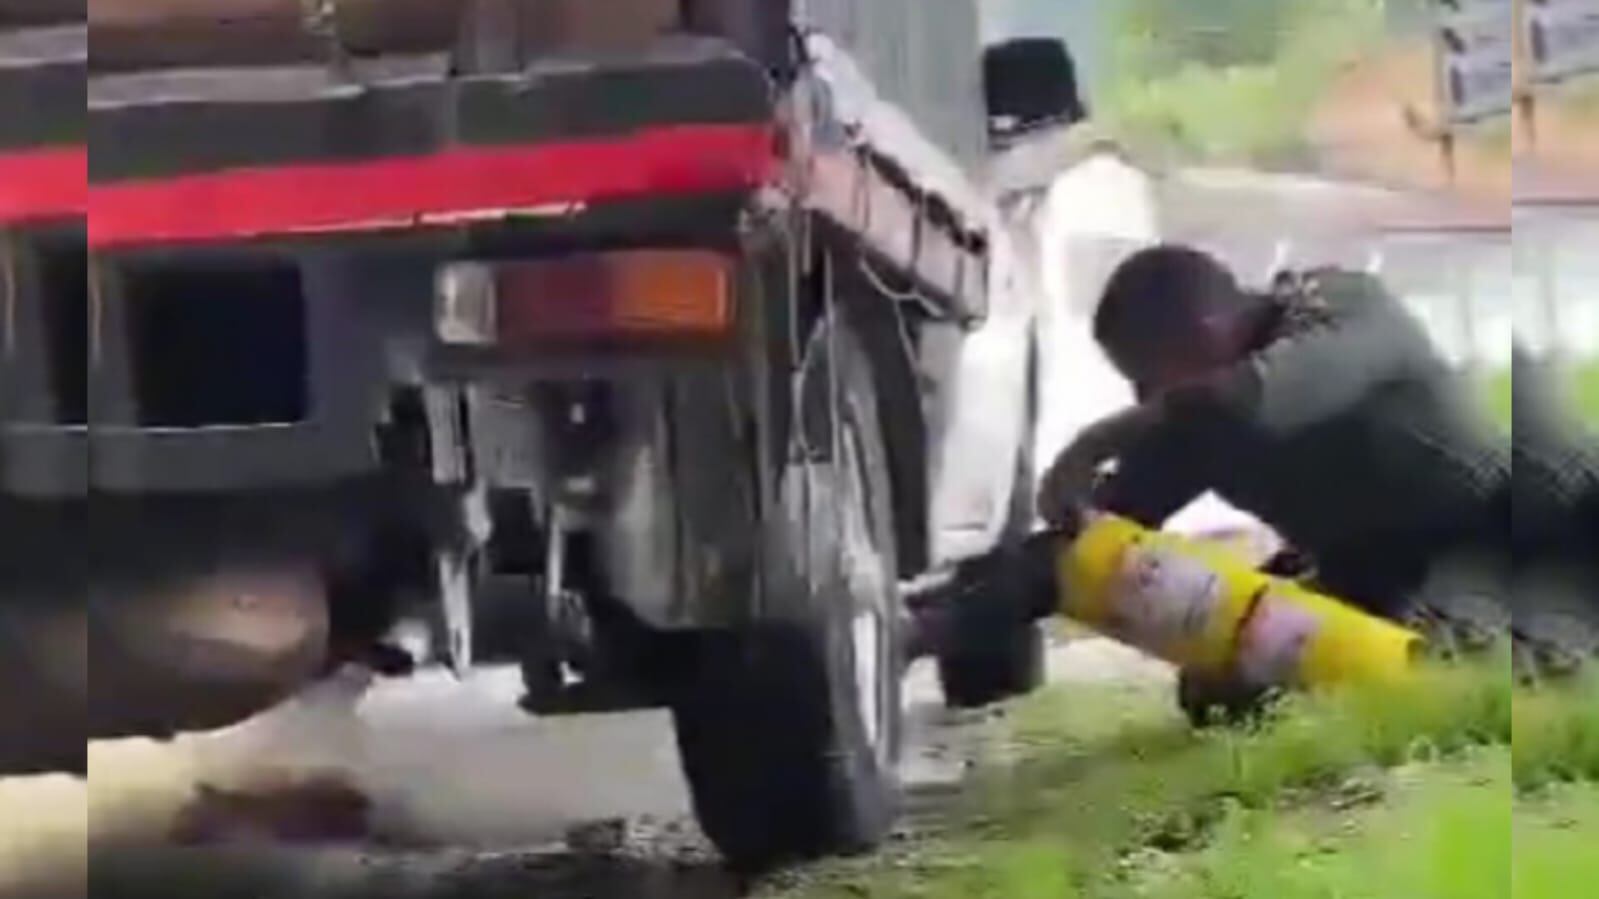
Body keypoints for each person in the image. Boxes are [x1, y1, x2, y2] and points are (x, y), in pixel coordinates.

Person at [1030, 245, 1517, 722]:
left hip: (1484, 550)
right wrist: (1047, 548)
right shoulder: (1195, 422)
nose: (1143, 400)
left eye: (1146, 380)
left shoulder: (1345, 307)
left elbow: (1255, 397)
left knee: (1451, 680)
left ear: (1206, 333)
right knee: (1219, 691)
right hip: (1365, 573)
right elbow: (1110, 523)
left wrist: (1092, 443)